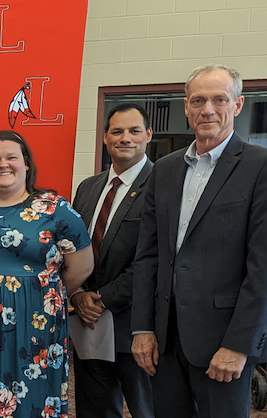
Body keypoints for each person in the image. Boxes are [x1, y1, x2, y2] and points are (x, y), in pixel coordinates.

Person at [131, 64, 267, 418]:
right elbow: (148, 256)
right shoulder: (165, 169)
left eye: (219, 99)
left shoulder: (265, 167)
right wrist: (142, 329)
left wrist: (238, 345)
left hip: (224, 342)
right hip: (166, 342)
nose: (208, 110)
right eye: (198, 100)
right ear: (186, 107)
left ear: (238, 104)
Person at [0, 130, 93, 418]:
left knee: (31, 399)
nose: (3, 164)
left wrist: (38, 292)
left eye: (11, 157)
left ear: (26, 164)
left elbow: (82, 265)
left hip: (34, 326)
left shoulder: (54, 207)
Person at [70, 103, 154, 418]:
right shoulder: (88, 188)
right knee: (94, 409)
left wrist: (103, 299)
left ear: (148, 135)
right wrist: (77, 295)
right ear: (105, 137)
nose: (125, 138)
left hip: (136, 326)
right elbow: (72, 250)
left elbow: (155, 259)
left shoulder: (163, 184)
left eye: (134, 131)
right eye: (116, 131)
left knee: (147, 410)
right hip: (87, 324)